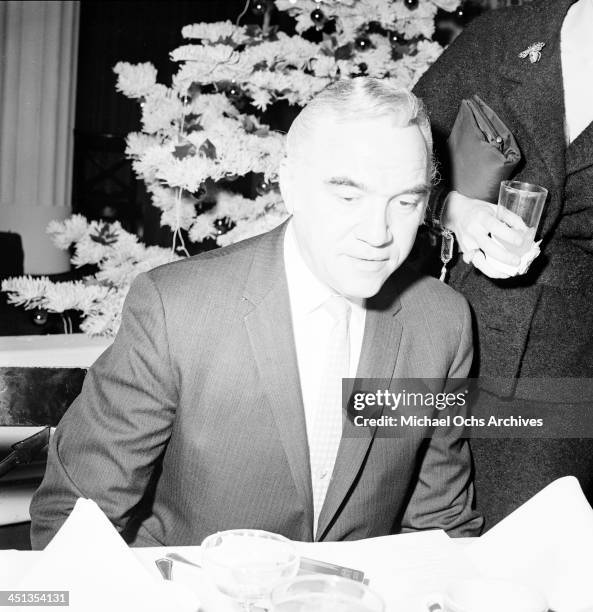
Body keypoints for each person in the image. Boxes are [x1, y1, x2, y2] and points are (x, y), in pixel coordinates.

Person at [30, 78, 482, 549]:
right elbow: (73, 521)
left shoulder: (442, 323)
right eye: (349, 197)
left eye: (406, 202)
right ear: (290, 184)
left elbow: (441, 528)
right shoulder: (176, 309)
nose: (378, 233)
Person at [413, 0, 593, 526]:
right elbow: (400, 148)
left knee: (524, 543)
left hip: (562, 368)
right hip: (433, 330)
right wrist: (455, 211)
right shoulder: (507, 34)